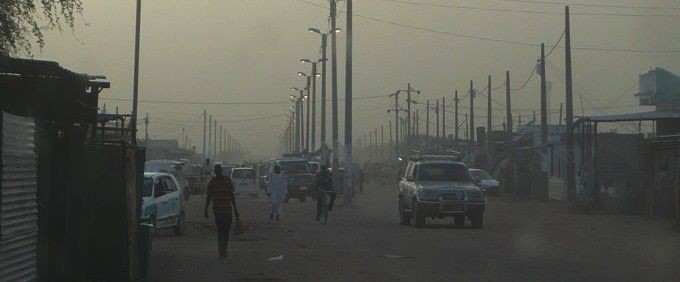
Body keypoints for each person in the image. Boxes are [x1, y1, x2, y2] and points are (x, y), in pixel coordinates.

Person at [204, 164, 239, 260]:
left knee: (223, 232)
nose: (217, 172)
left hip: (224, 211)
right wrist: (206, 209)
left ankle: (223, 251)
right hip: (222, 211)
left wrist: (206, 209)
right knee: (222, 232)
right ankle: (222, 251)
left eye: (217, 170)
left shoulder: (223, 181)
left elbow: (231, 196)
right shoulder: (217, 182)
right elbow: (209, 197)